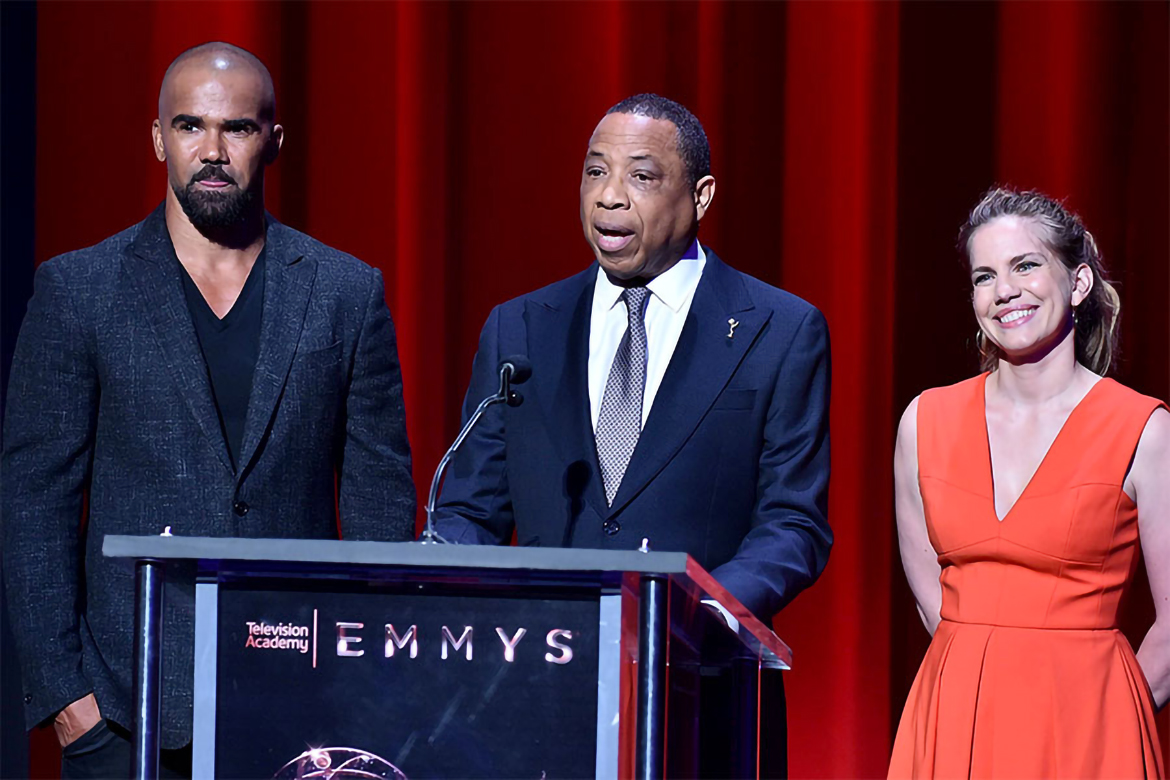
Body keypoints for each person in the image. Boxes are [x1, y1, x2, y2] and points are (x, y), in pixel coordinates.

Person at [2, 42, 415, 777]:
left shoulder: (346, 293)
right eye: (191, 127)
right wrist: (70, 701)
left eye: (239, 129)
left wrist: (366, 682)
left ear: (274, 141)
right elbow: (35, 502)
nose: (213, 151)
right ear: (159, 139)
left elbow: (379, 500)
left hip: (304, 703)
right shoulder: (80, 291)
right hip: (128, 716)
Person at [431, 93, 832, 625]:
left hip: (696, 677)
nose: (609, 197)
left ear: (701, 196)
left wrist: (697, 612)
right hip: (542, 669)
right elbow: (469, 510)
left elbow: (792, 524)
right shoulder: (520, 328)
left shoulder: (780, 331)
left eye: (641, 177)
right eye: (595, 172)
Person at [890, 188, 1168, 778]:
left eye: (1025, 265)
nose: (1005, 291)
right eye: (984, 276)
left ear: (1079, 283)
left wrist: (1108, 715)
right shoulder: (925, 422)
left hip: (1089, 734)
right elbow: (931, 598)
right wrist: (984, 686)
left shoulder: (1143, 429)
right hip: (952, 722)